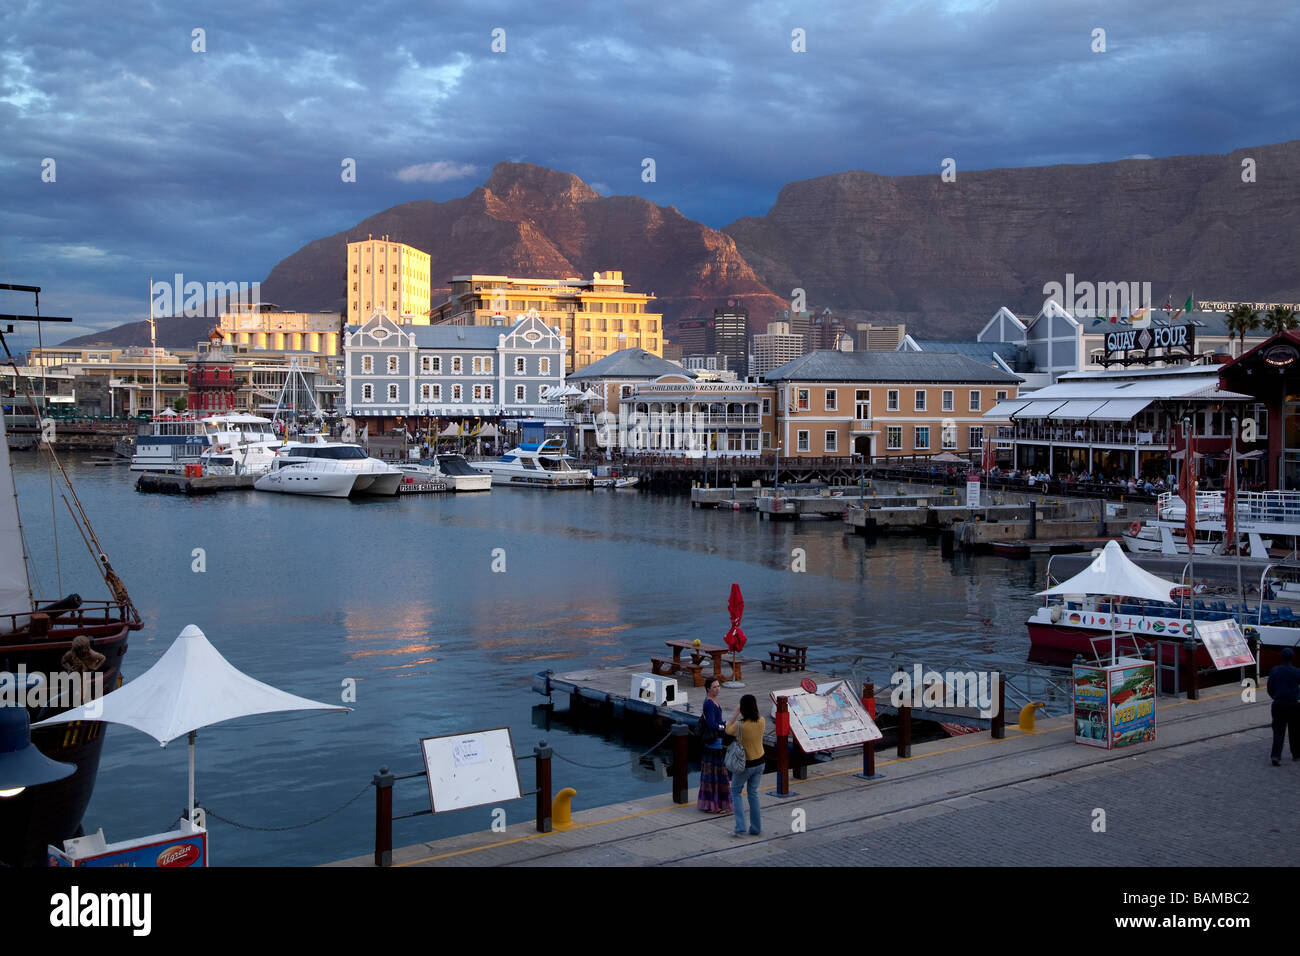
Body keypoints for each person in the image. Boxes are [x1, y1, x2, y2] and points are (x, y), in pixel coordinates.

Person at [725, 694, 766, 836]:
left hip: (744, 765)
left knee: (736, 792)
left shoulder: (740, 725)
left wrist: (736, 713)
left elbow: (728, 730)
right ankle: (756, 828)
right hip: (760, 762)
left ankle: (740, 827)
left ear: (742, 708)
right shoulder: (762, 721)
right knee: (753, 793)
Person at [697, 677, 732, 814]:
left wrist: (722, 724)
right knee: (716, 776)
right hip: (713, 745)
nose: (718, 689)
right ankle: (715, 805)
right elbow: (712, 724)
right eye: (714, 687)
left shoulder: (713, 701)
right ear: (708, 689)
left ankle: (716, 803)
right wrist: (723, 726)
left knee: (716, 776)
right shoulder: (709, 703)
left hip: (716, 743)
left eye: (718, 686)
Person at [1267, 647, 1300, 765]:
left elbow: (1270, 688)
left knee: (1278, 731)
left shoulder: (1275, 670)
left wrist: (1275, 697)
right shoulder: (1297, 672)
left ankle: (1276, 756)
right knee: (1295, 731)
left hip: (1279, 704)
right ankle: (1296, 754)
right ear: (1292, 657)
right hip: (1293, 705)